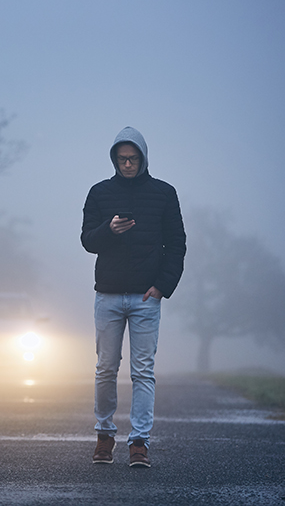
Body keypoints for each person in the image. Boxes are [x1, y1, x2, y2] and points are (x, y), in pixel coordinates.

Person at [80, 126, 186, 467]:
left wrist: (162, 287)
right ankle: (104, 435)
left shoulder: (164, 194)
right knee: (105, 369)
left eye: (133, 158)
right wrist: (108, 230)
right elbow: (87, 241)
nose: (127, 164)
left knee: (143, 371)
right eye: (122, 159)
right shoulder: (99, 193)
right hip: (108, 295)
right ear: (114, 159)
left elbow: (177, 244)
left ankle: (139, 443)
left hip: (146, 297)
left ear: (142, 158)